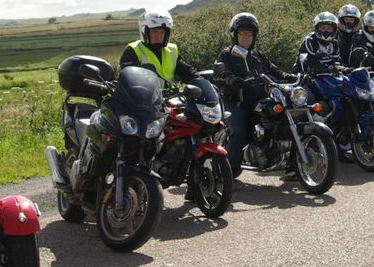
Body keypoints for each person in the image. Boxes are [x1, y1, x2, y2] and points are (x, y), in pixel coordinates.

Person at [215, 12, 293, 173]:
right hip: (235, 102)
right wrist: (231, 79)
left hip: (257, 101)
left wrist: (289, 76)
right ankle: (228, 173)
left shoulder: (257, 55)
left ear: (254, 36)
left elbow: (273, 70)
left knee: (284, 119)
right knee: (239, 132)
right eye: (242, 33)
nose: (245, 37)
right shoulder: (227, 54)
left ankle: (292, 165)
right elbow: (220, 69)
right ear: (235, 35)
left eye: (249, 34)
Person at [121, 10, 198, 85]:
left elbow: (186, 72)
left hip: (171, 96)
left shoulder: (172, 50)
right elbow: (130, 80)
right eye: (155, 32)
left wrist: (200, 80)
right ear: (145, 32)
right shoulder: (133, 50)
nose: (159, 36)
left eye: (162, 32)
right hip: (146, 97)